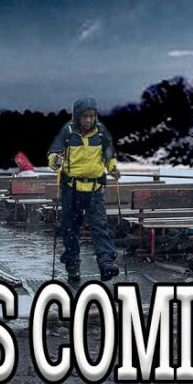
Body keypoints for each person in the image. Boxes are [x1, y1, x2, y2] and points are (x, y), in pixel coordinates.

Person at [47, 97, 121, 282]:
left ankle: (106, 264)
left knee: (100, 227)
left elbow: (109, 154)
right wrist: (55, 160)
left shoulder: (101, 132)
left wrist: (112, 168)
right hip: (71, 189)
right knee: (70, 229)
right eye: (85, 116)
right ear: (77, 116)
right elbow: (53, 153)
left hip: (95, 189)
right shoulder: (67, 132)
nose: (88, 120)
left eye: (92, 116)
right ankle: (73, 265)